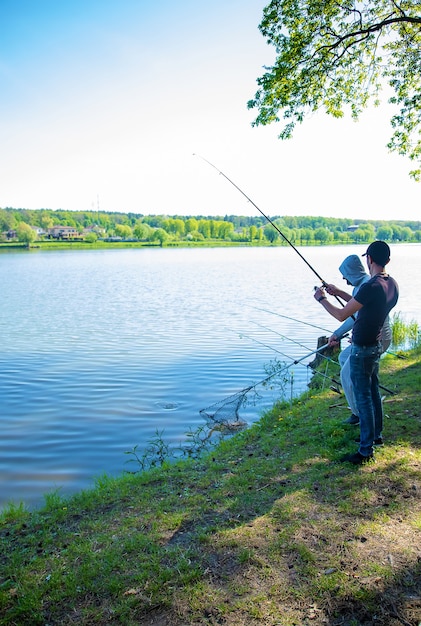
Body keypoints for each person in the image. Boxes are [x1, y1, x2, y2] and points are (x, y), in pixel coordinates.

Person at [314, 241, 399, 464]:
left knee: (363, 398)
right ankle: (376, 437)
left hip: (363, 348)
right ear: (387, 261)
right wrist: (339, 291)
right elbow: (366, 305)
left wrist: (322, 299)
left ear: (368, 259)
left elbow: (342, 315)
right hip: (374, 347)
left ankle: (365, 451)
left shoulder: (370, 286)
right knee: (372, 393)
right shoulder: (391, 284)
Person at [327, 255, 392, 425]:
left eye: (345, 274)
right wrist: (338, 292)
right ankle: (360, 409)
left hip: (374, 339)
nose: (343, 278)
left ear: (352, 272)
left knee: (347, 375)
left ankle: (359, 414)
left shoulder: (366, 284)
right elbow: (356, 306)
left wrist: (322, 299)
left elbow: (346, 314)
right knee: (343, 358)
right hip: (369, 337)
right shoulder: (363, 283)